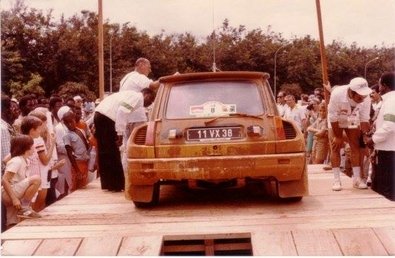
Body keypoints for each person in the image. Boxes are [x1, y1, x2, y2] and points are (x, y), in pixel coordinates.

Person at [93, 88, 156, 192]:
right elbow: (122, 112)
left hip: (100, 115)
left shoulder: (131, 96)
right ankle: (117, 184)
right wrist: (120, 133)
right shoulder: (137, 98)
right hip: (107, 118)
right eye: (151, 100)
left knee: (105, 152)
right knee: (112, 151)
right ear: (147, 95)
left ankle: (109, 184)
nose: (150, 103)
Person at [327, 77, 372, 191]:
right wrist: (338, 136)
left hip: (352, 118)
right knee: (335, 146)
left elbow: (364, 119)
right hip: (336, 119)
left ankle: (356, 179)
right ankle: (336, 180)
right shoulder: (337, 94)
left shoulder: (366, 98)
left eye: (364, 97)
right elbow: (333, 117)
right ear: (351, 92)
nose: (362, 99)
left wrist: (365, 136)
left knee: (355, 146)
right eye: (359, 97)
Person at [364, 71, 395, 200]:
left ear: (384, 85)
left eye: (379, 84)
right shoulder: (389, 100)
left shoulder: (390, 102)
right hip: (388, 150)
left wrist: (373, 140)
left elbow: (389, 125)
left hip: (387, 152)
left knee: (385, 192)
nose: (378, 87)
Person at [2, 135, 41, 229]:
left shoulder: (24, 160)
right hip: (9, 194)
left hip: (14, 191)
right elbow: (4, 180)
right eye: (32, 145)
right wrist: (14, 199)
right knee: (36, 179)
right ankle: (25, 206)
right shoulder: (17, 161)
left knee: (13, 222)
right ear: (26, 147)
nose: (34, 147)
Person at [63, 111, 91, 190]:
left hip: (85, 161)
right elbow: (69, 153)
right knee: (76, 186)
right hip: (77, 163)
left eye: (71, 121)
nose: (69, 125)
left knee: (84, 185)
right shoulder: (67, 136)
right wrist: (77, 170)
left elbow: (86, 145)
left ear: (75, 119)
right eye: (67, 123)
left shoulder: (81, 131)